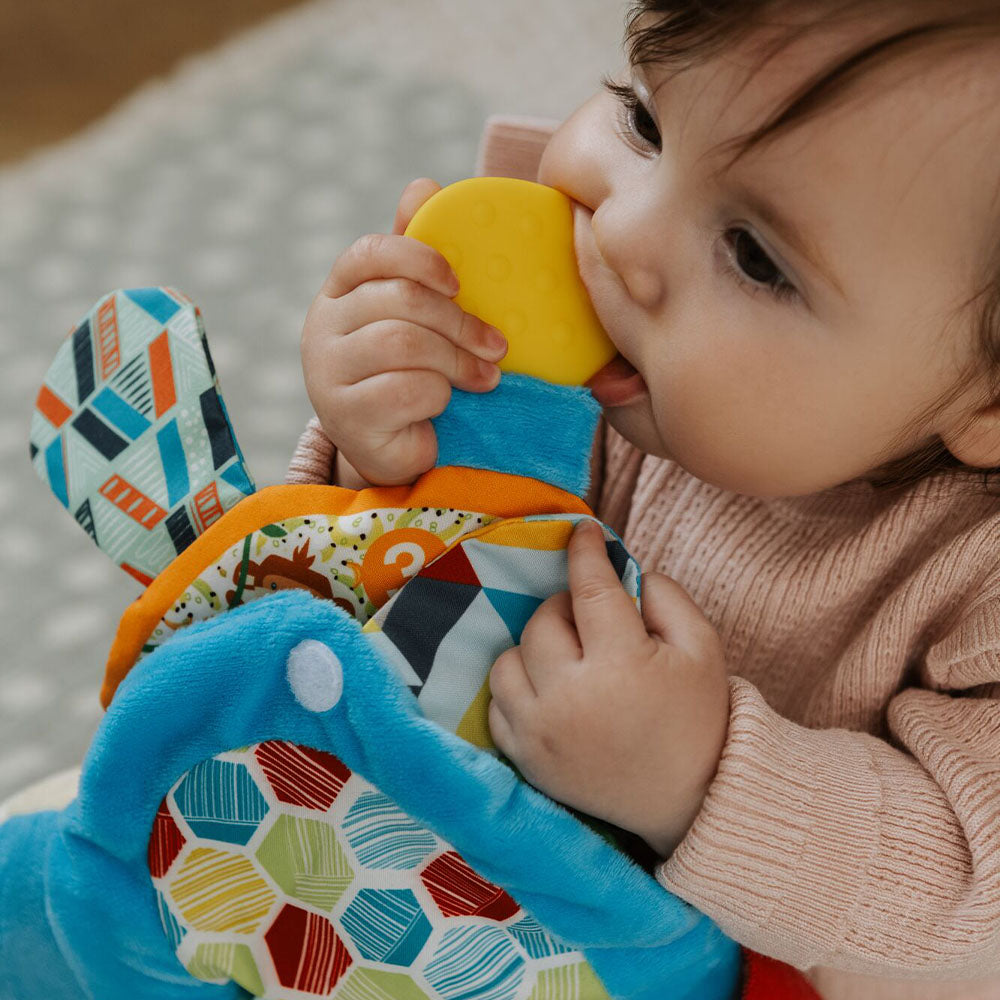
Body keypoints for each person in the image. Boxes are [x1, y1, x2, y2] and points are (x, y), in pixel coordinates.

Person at [293, 2, 1000, 997]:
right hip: (440, 901)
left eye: (754, 254)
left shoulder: (978, 590)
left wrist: (698, 776)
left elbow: (972, 893)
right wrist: (379, 446)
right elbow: (366, 592)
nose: (619, 231)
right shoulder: (572, 357)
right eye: (642, 120)